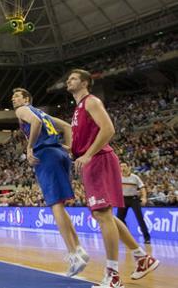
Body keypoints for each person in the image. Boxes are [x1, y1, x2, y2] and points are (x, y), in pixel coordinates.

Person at [66, 69, 159, 287]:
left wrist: (88, 154)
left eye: (73, 78)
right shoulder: (78, 108)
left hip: (98, 158)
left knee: (103, 214)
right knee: (104, 215)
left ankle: (113, 276)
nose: (68, 81)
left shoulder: (91, 101)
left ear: (85, 83)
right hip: (90, 160)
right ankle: (141, 257)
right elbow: (80, 143)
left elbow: (108, 129)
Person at [11, 88, 89, 277]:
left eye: (17, 96)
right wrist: (68, 148)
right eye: (12, 97)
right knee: (60, 206)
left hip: (46, 156)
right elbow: (67, 127)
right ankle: (78, 249)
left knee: (55, 205)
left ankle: (73, 254)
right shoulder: (43, 113)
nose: (13, 99)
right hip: (59, 154)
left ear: (26, 99)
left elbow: (35, 123)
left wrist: (29, 148)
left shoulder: (22, 110)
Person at [117, 162, 151, 244]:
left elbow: (142, 188)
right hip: (123, 199)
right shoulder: (118, 177)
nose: (122, 168)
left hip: (133, 199)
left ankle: (147, 238)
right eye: (121, 166)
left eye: (124, 166)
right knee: (119, 219)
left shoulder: (135, 178)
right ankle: (127, 234)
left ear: (129, 167)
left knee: (140, 218)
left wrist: (144, 197)